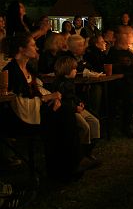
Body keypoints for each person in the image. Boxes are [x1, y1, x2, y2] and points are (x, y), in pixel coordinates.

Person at [2, 33, 83, 181]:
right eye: (33, 45)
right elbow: (18, 100)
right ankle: (64, 169)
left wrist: (53, 99)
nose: (36, 47)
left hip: (38, 110)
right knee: (63, 114)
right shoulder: (11, 71)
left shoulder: (29, 69)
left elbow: (38, 91)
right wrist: (48, 98)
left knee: (64, 110)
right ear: (21, 49)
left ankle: (69, 165)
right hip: (21, 117)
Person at [53, 56, 101, 166]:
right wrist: (75, 108)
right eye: (74, 69)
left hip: (75, 107)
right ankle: (81, 154)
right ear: (67, 69)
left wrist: (79, 102)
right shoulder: (59, 84)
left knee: (94, 122)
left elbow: (72, 95)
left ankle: (88, 150)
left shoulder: (70, 81)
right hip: (69, 111)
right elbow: (61, 102)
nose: (76, 70)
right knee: (84, 127)